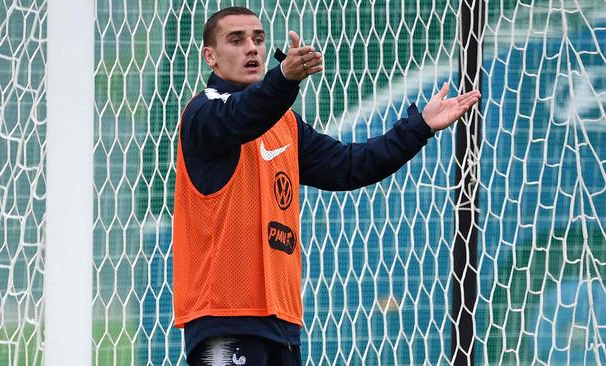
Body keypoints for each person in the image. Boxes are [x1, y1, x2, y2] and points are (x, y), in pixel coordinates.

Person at [172, 6, 481, 365]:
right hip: (224, 321)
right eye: (236, 40)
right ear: (210, 56)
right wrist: (283, 78)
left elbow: (348, 166)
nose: (252, 49)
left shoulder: (286, 125)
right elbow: (243, 115)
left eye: (258, 39)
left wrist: (420, 127)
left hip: (282, 324)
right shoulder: (204, 114)